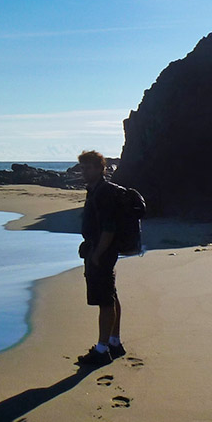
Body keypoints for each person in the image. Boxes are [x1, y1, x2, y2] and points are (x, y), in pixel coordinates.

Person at [76, 150, 125, 367]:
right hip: (100, 249)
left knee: (104, 300)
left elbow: (109, 228)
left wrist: (96, 254)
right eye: (83, 167)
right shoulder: (95, 190)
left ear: (100, 168)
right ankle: (114, 342)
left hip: (102, 252)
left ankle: (102, 349)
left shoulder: (103, 192)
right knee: (111, 294)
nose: (84, 171)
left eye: (88, 167)